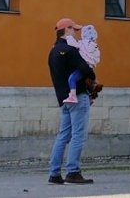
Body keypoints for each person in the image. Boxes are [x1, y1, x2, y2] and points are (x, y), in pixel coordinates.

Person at [48, 18, 97, 185]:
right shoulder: (70, 50)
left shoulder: (53, 51)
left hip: (63, 98)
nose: (76, 33)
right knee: (78, 135)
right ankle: (73, 171)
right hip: (78, 96)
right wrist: (92, 77)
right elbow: (86, 69)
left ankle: (54, 173)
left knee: (63, 135)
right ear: (66, 29)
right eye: (74, 30)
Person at [61, 24, 101, 104]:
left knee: (72, 79)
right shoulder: (96, 47)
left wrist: (68, 37)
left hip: (83, 67)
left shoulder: (83, 43)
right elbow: (97, 58)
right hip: (90, 67)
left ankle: (72, 96)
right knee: (87, 83)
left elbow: (74, 44)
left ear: (84, 34)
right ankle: (90, 98)